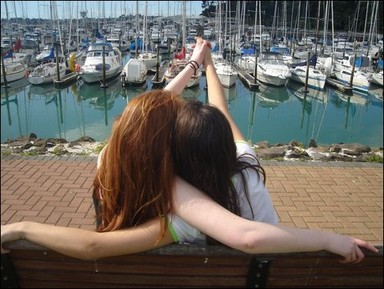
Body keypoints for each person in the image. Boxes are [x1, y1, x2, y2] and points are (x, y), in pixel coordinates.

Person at [1, 38, 379, 264]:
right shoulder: (193, 196)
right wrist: (331, 238)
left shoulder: (117, 165)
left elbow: (93, 243)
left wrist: (19, 226)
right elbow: (249, 237)